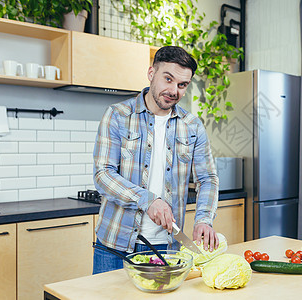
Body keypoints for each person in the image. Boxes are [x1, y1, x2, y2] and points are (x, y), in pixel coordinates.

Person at [92, 46, 219, 274]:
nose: (173, 90)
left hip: (167, 247)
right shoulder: (118, 115)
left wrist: (204, 219)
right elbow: (103, 174)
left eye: (182, 85)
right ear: (151, 73)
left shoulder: (192, 126)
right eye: (168, 79)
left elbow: (208, 178)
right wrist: (147, 200)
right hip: (115, 245)